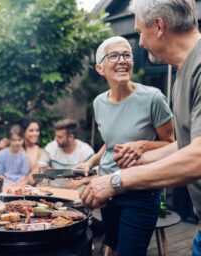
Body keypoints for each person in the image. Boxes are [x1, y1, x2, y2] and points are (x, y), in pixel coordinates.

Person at [81, 1, 201, 255]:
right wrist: (136, 159)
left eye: (138, 32)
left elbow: (197, 156)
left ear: (158, 26)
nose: (140, 43)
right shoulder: (183, 72)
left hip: (140, 195)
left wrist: (116, 179)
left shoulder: (192, 72)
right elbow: (186, 143)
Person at [79, 36, 174, 256]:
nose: (122, 60)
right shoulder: (99, 103)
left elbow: (173, 143)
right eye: (114, 55)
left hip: (141, 190)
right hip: (107, 189)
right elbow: (111, 142)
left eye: (127, 55)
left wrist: (141, 145)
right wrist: (91, 160)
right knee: (113, 244)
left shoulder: (153, 98)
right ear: (100, 68)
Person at [28, 118, 95, 190]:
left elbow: (98, 174)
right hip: (55, 194)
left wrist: (80, 182)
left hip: (77, 195)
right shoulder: (51, 147)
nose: (56, 139)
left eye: (59, 137)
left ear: (70, 137)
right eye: (56, 135)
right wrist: (23, 185)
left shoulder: (86, 151)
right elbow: (39, 169)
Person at [0, 124, 29, 189]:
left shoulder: (24, 156)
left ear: (23, 140)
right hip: (4, 183)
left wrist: (19, 185)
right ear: (9, 140)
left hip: (19, 184)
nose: (17, 143)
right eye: (14, 140)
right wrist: (12, 184)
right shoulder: (2, 154)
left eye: (19, 140)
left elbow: (24, 175)